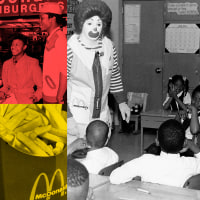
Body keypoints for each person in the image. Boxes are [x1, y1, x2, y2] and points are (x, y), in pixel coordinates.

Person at [67, 0, 130, 140]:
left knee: (98, 155)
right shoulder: (70, 48)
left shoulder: (109, 46)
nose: (94, 28)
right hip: (77, 116)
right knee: (77, 158)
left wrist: (122, 102)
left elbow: (114, 75)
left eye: (99, 24)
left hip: (101, 115)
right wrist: (67, 116)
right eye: (90, 23)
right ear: (81, 23)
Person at [110, 119, 200, 187]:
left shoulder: (145, 161)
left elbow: (114, 177)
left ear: (157, 141)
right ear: (184, 143)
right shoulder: (191, 163)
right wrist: (191, 145)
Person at [0, 34, 42, 104]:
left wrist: (36, 97)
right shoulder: (6, 64)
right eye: (12, 45)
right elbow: (5, 86)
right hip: (9, 99)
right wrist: (1, 92)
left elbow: (41, 86)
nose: (13, 47)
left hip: (26, 100)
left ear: (24, 47)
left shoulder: (33, 63)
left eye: (17, 45)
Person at [39, 2, 67, 103]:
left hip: (54, 97)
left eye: (42, 18)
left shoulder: (60, 39)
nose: (40, 22)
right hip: (47, 94)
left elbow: (65, 71)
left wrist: (59, 96)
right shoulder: (51, 38)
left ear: (52, 19)